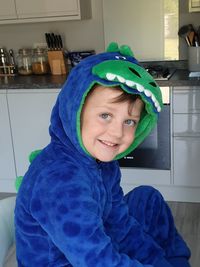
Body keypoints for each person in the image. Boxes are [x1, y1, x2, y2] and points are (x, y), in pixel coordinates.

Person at [15, 42, 191, 267]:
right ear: (76, 110)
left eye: (129, 121)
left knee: (148, 198)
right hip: (74, 261)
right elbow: (98, 261)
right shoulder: (59, 180)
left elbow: (121, 225)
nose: (117, 133)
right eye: (106, 115)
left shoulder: (103, 163)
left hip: (92, 241)